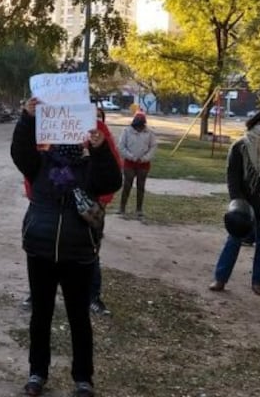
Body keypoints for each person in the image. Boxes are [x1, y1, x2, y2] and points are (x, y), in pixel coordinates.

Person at [11, 97, 122, 397]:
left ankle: (83, 379)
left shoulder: (90, 167)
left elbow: (113, 180)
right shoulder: (41, 163)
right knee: (41, 316)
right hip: (41, 250)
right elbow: (20, 152)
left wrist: (100, 150)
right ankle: (37, 374)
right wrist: (27, 118)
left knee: (78, 318)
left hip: (79, 254)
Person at [208, 111, 260, 296]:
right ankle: (220, 279)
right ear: (253, 123)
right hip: (245, 204)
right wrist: (237, 200)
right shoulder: (241, 147)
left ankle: (257, 282)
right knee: (234, 241)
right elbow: (232, 175)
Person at [89, 106, 121, 317]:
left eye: (99, 116)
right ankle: (37, 295)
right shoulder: (54, 138)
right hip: (55, 209)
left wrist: (102, 202)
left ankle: (93, 297)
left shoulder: (103, 137)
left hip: (93, 207)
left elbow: (113, 173)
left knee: (91, 254)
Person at [116, 111, 158, 218]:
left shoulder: (149, 133)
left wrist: (144, 158)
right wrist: (132, 157)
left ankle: (139, 209)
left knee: (141, 186)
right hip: (129, 162)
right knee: (127, 185)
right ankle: (122, 208)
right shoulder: (126, 131)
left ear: (144, 124)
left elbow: (153, 147)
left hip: (143, 164)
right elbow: (121, 146)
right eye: (136, 126)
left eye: (140, 126)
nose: (138, 128)